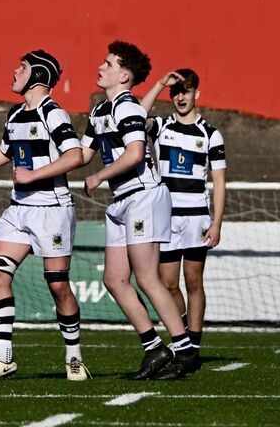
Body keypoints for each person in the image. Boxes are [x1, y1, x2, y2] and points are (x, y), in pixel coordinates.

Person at [0, 50, 91, 383]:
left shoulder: (54, 114)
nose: (14, 71)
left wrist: (34, 175)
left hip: (52, 211)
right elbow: (4, 152)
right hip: (19, 209)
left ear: (37, 76)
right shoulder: (15, 114)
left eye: (22, 67)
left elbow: (75, 156)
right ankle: (3, 358)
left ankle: (74, 358)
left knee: (58, 286)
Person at [79, 41, 199, 381]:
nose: (101, 66)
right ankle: (154, 348)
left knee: (147, 277)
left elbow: (134, 154)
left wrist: (99, 176)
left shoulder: (127, 106)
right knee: (114, 279)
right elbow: (83, 155)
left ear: (124, 75)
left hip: (143, 196)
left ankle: (185, 351)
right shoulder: (101, 110)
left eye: (108, 63)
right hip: (121, 200)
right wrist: (45, 165)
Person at [140, 68, 227, 370]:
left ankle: (194, 347)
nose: (180, 97)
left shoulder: (211, 134)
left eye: (186, 91)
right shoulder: (161, 126)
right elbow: (135, 117)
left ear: (196, 94)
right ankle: (184, 340)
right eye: (175, 92)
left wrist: (216, 223)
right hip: (166, 216)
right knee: (167, 284)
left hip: (196, 218)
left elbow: (219, 182)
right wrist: (159, 83)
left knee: (193, 281)